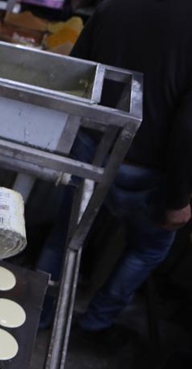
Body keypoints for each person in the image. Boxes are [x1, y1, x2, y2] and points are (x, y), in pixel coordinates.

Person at [36, 0, 192, 347]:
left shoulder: (116, 5)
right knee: (149, 248)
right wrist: (179, 200)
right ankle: (95, 324)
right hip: (146, 167)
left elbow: (75, 69)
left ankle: (35, 315)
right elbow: (186, 128)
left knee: (66, 234)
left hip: (91, 142)